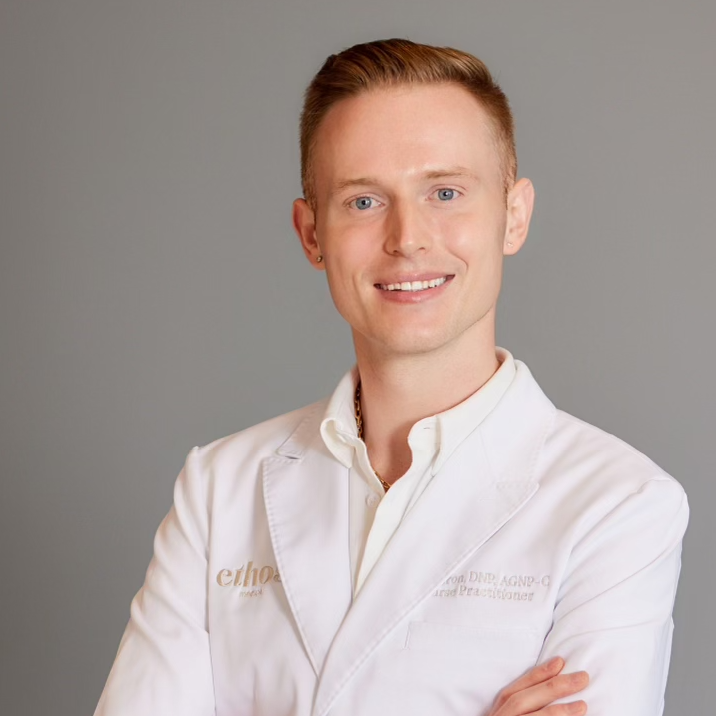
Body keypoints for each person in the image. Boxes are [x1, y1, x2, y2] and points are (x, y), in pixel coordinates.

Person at [94, 39, 688, 716]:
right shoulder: (219, 490)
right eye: (363, 201)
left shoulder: (618, 505)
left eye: (445, 192)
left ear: (513, 216)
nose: (407, 237)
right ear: (311, 234)